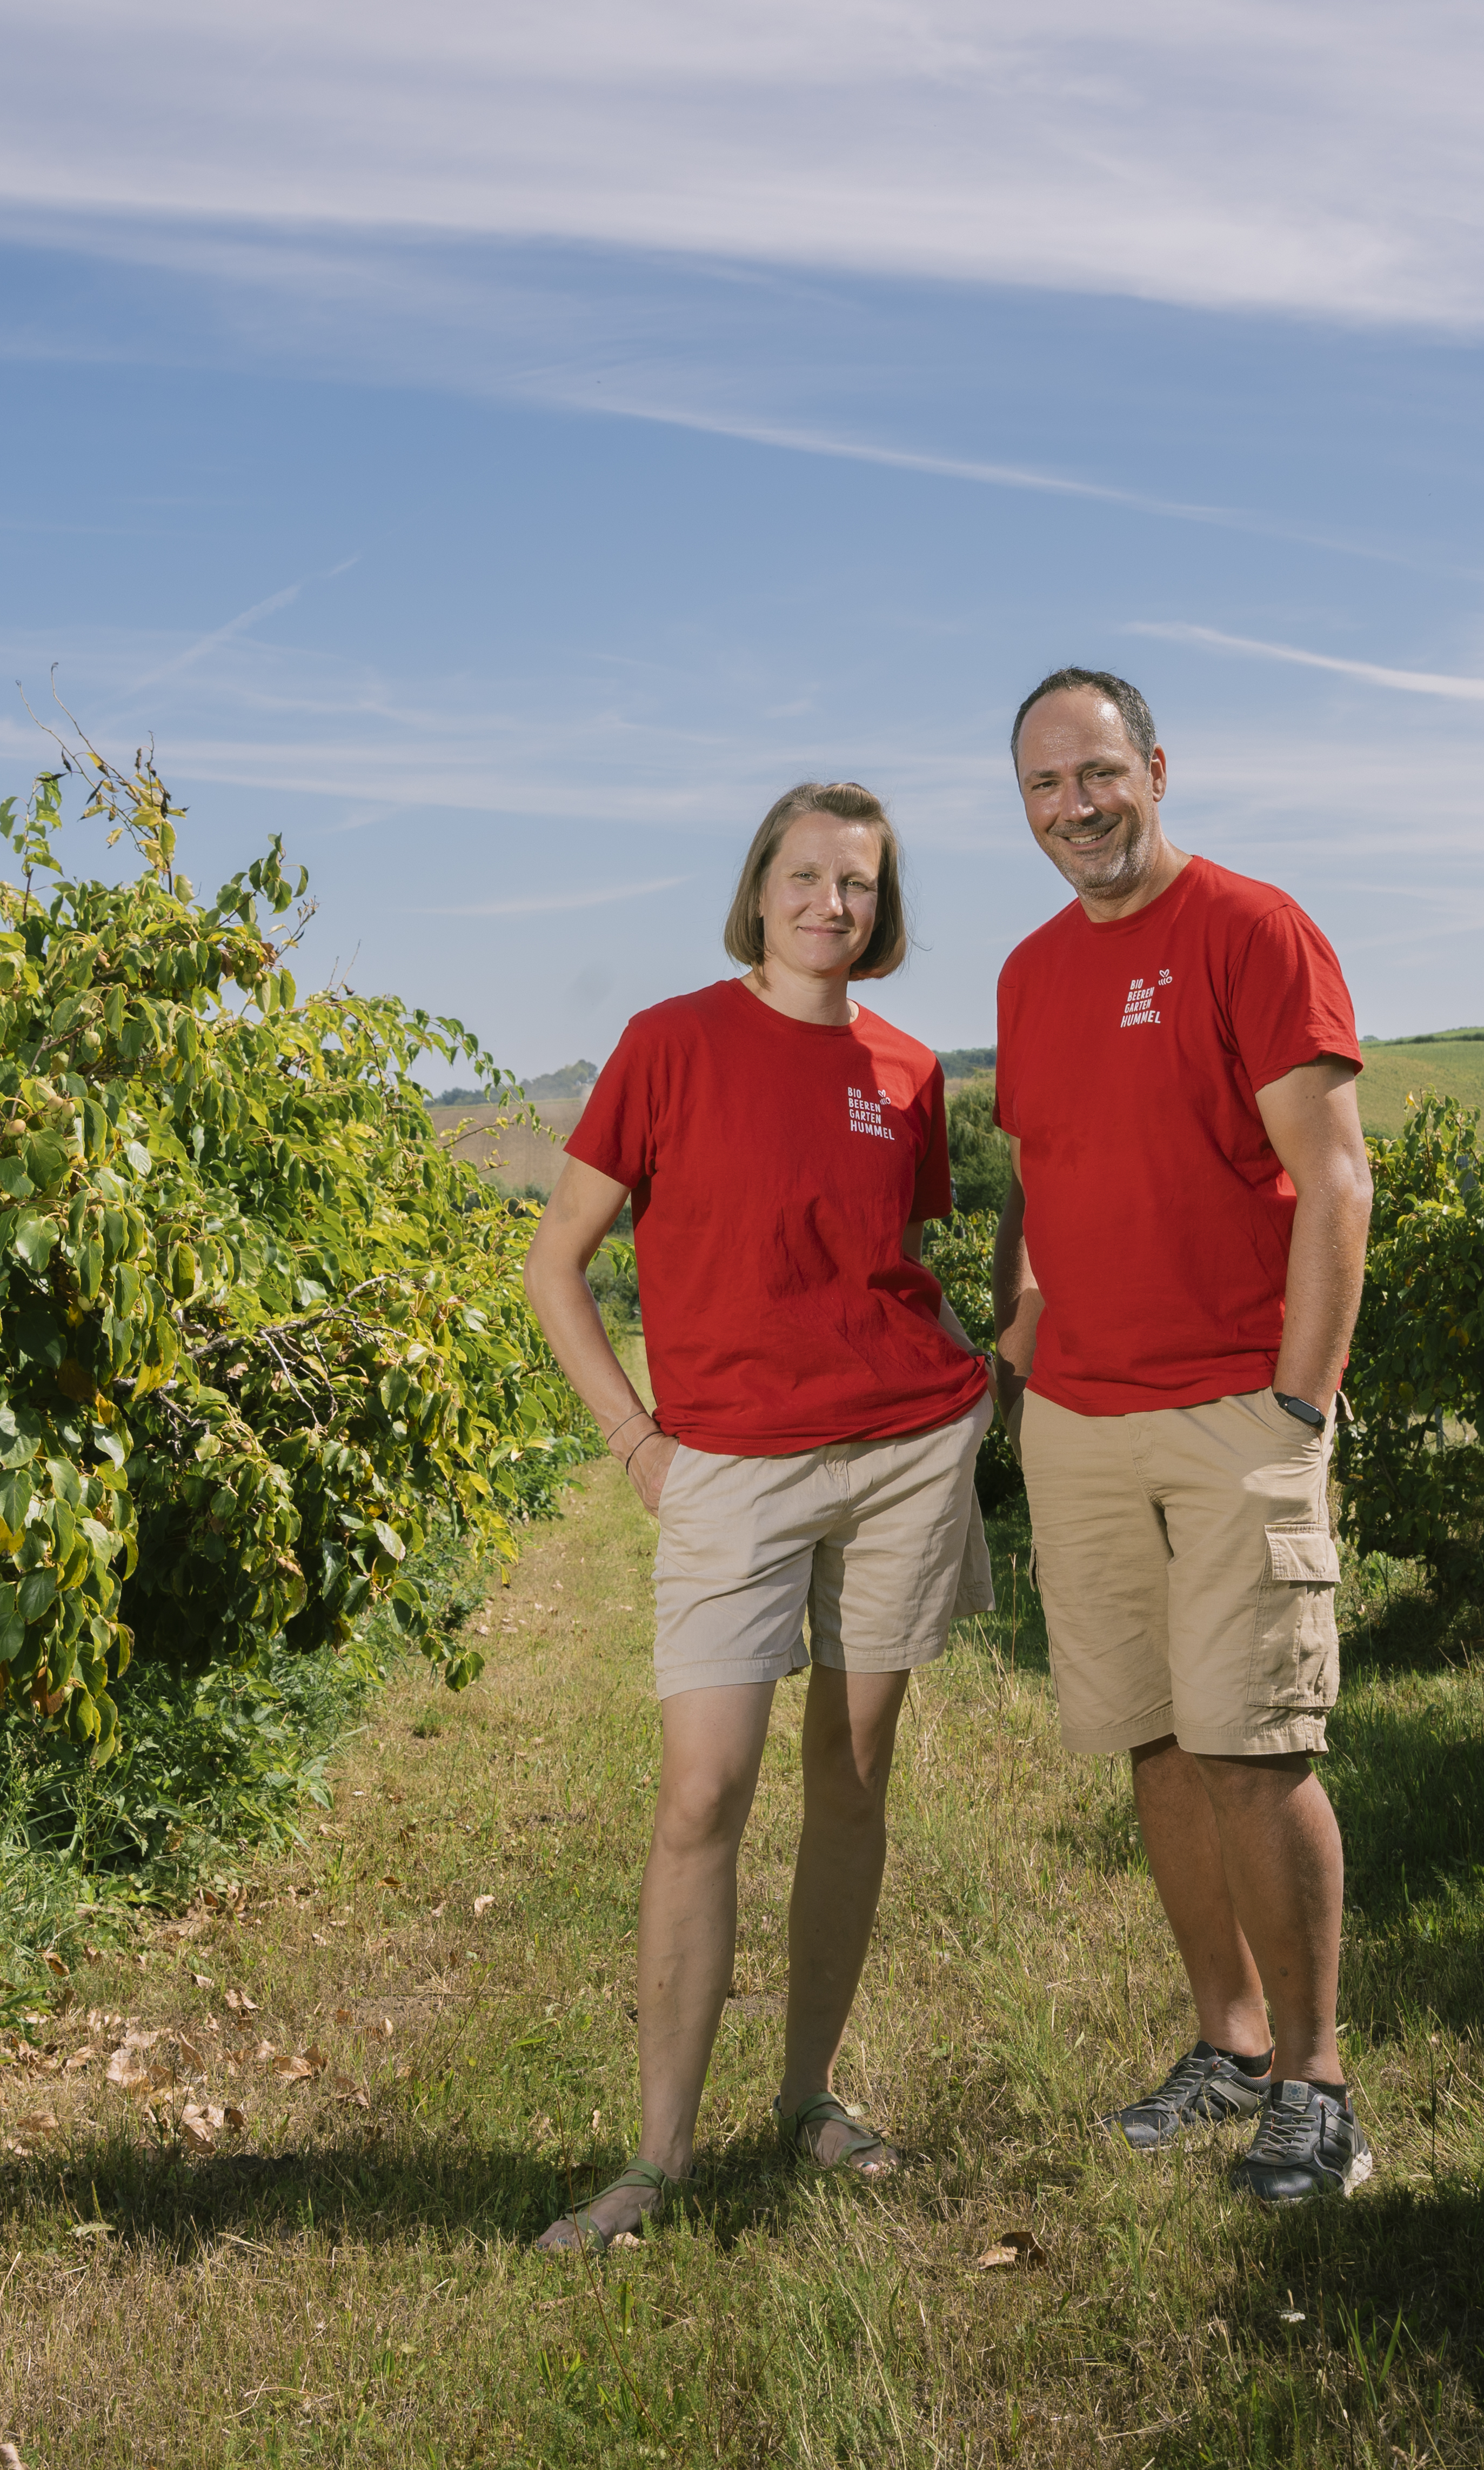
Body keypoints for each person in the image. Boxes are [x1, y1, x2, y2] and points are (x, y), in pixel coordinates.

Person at [519, 780, 995, 2252]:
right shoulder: (669, 1042)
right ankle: (656, 2158)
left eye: (857, 882)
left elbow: (884, 1262)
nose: (829, 902)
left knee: (853, 1774)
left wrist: (991, 1376)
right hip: (728, 1464)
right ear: (760, 886)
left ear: (881, 907)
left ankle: (807, 2094)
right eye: (806, 875)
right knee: (702, 1792)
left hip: (906, 1450)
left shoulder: (909, 1070)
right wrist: (637, 1440)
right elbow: (555, 1264)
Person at [986, 667, 1376, 2206]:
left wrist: (1300, 1400)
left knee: (1252, 1741)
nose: (1073, 807)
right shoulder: (1025, 974)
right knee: (1153, 1736)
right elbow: (1035, 1170)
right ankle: (1225, 2042)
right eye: (1040, 788)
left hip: (1234, 1409)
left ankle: (1316, 2079)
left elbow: (1335, 1179)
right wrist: (1018, 1338)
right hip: (1080, 1420)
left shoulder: (1252, 930)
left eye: (1095, 774)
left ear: (1155, 765)